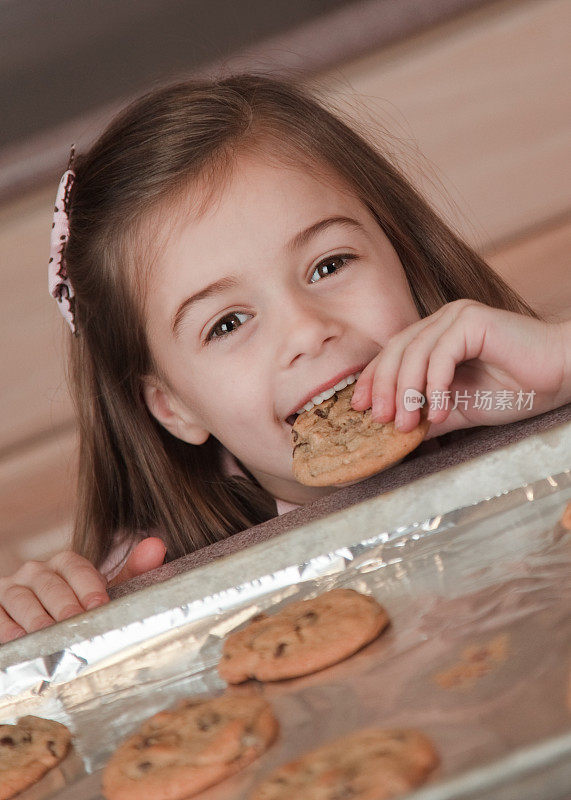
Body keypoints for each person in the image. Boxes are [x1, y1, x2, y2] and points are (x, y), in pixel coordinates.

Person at [1, 74, 569, 644]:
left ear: (402, 251)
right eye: (227, 323)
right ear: (173, 408)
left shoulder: (522, 395)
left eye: (330, 265)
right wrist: (46, 623)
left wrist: (560, 369)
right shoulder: (147, 582)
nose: (306, 330)